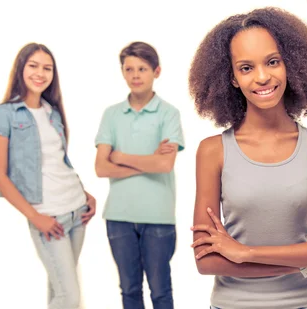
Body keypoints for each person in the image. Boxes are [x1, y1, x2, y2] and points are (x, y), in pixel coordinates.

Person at [188, 7, 307, 309]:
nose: (263, 77)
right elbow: (207, 260)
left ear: (290, 64)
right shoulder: (212, 151)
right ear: (233, 78)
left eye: (273, 62)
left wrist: (247, 253)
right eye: (246, 68)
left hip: (302, 304)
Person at [0, 42, 96, 309]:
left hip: (76, 212)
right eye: (33, 66)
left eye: (47, 68)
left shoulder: (52, 111)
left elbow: (60, 161)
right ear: (20, 69)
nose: (40, 73)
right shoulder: (4, 114)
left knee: (59, 290)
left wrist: (85, 194)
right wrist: (35, 217)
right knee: (69, 297)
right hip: (49, 217)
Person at [94, 41, 184, 309]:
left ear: (156, 71)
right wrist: (149, 160)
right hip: (118, 217)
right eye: (129, 69)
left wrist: (120, 156)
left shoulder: (169, 113)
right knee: (129, 291)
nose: (135, 75)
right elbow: (101, 168)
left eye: (142, 69)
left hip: (158, 217)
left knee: (160, 291)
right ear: (122, 72)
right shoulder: (111, 115)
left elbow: (165, 165)